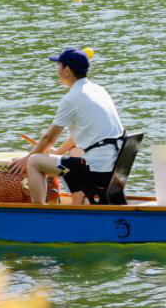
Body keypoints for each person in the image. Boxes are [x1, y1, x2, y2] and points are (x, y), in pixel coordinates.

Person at [9, 48, 126, 205]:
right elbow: (77, 137)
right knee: (75, 150)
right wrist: (57, 153)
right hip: (115, 166)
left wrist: (27, 158)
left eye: (58, 65)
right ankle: (77, 205)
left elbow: (48, 138)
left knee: (35, 162)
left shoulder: (71, 98)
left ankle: (38, 213)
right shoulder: (99, 90)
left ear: (66, 70)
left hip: (98, 170)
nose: (56, 70)